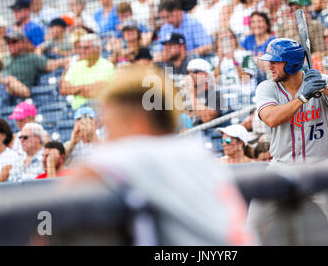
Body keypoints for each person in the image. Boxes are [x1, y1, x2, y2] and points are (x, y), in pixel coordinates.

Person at [66, 65, 255, 245]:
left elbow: (78, 183)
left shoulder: (146, 153)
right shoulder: (195, 154)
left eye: (111, 125)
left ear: (136, 123)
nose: (109, 135)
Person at [247, 38, 328, 243]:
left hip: (322, 166)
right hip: (281, 168)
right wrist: (302, 97)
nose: (270, 66)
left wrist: (325, 87)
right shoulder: (267, 88)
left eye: (275, 61)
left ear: (291, 63)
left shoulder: (320, 81)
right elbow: (272, 118)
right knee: (253, 226)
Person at [59, 33, 115, 110]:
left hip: (98, 110)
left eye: (86, 48)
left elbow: (96, 92)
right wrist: (85, 87)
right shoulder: (76, 65)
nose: (82, 51)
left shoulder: (107, 65)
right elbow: (63, 89)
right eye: (81, 48)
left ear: (97, 48)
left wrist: (75, 90)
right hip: (75, 112)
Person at [1, 30, 69, 87]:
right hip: (1, 87)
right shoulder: (6, 59)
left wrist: (73, 58)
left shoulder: (31, 58)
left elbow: (52, 64)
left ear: (23, 43)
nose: (10, 45)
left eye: (14, 42)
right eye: (8, 43)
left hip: (19, 92)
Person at [183, 58, 226, 125]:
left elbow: (206, 118)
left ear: (206, 75)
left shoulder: (216, 94)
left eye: (195, 71)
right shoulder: (184, 95)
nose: (190, 75)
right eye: (189, 72)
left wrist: (191, 94)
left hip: (209, 133)